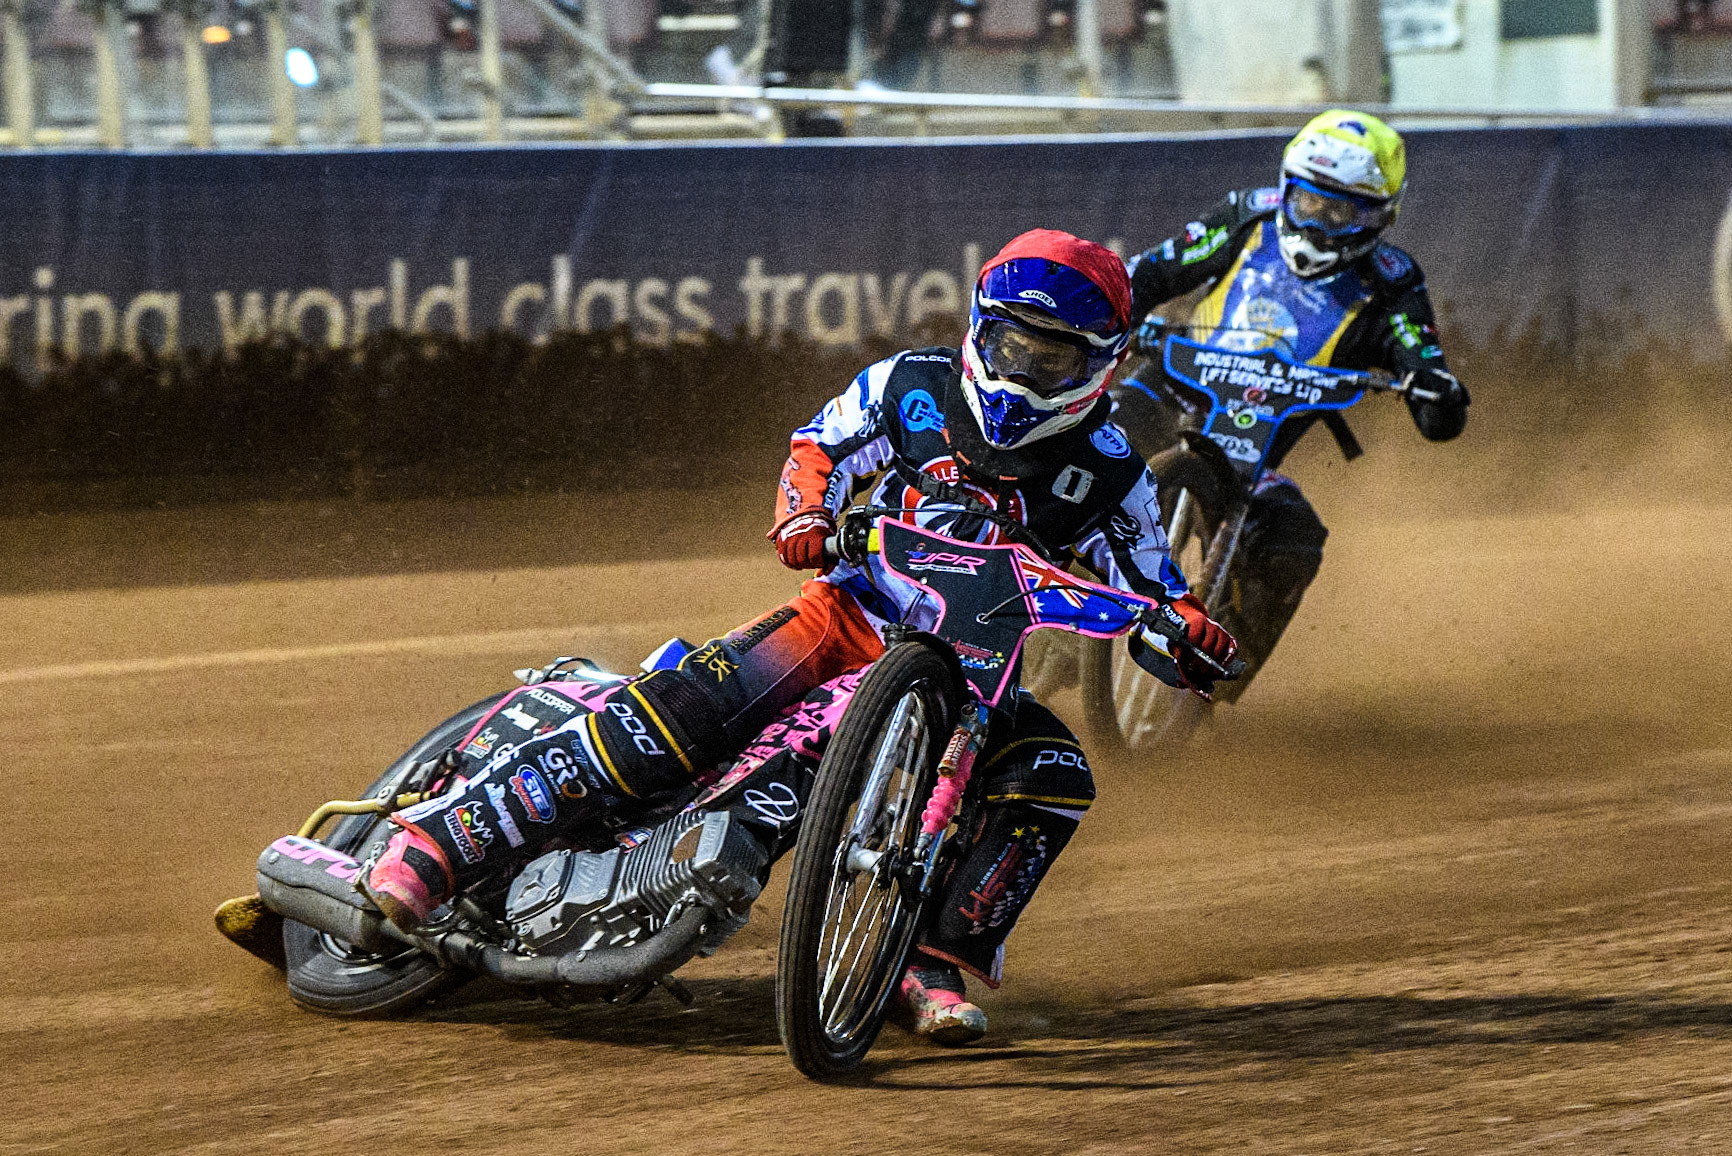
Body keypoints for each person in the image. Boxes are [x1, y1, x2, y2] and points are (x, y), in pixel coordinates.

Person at [360, 229, 1237, 1045]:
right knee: (678, 713)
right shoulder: (911, 383)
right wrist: (806, 515)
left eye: (1052, 359)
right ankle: (445, 841)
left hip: (985, 673)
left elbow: (1155, 595)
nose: (1024, 371)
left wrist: (1187, 639)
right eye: (1012, 345)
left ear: (1102, 364)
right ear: (981, 327)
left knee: (1053, 776)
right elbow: (818, 447)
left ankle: (926, 959)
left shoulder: (1114, 473)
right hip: (847, 615)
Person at [1120, 109, 1470, 691]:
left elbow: (1427, 376)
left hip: (1255, 455)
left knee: (1293, 538)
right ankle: (1031, 570)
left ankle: (1217, 680)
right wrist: (1112, 312)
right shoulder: (1245, 217)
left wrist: (1436, 389)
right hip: (1171, 386)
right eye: (1308, 202)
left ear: (1380, 217)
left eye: (1341, 212)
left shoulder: (1393, 283)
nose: (1318, 224)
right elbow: (1149, 274)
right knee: (1102, 431)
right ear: (1286, 188)